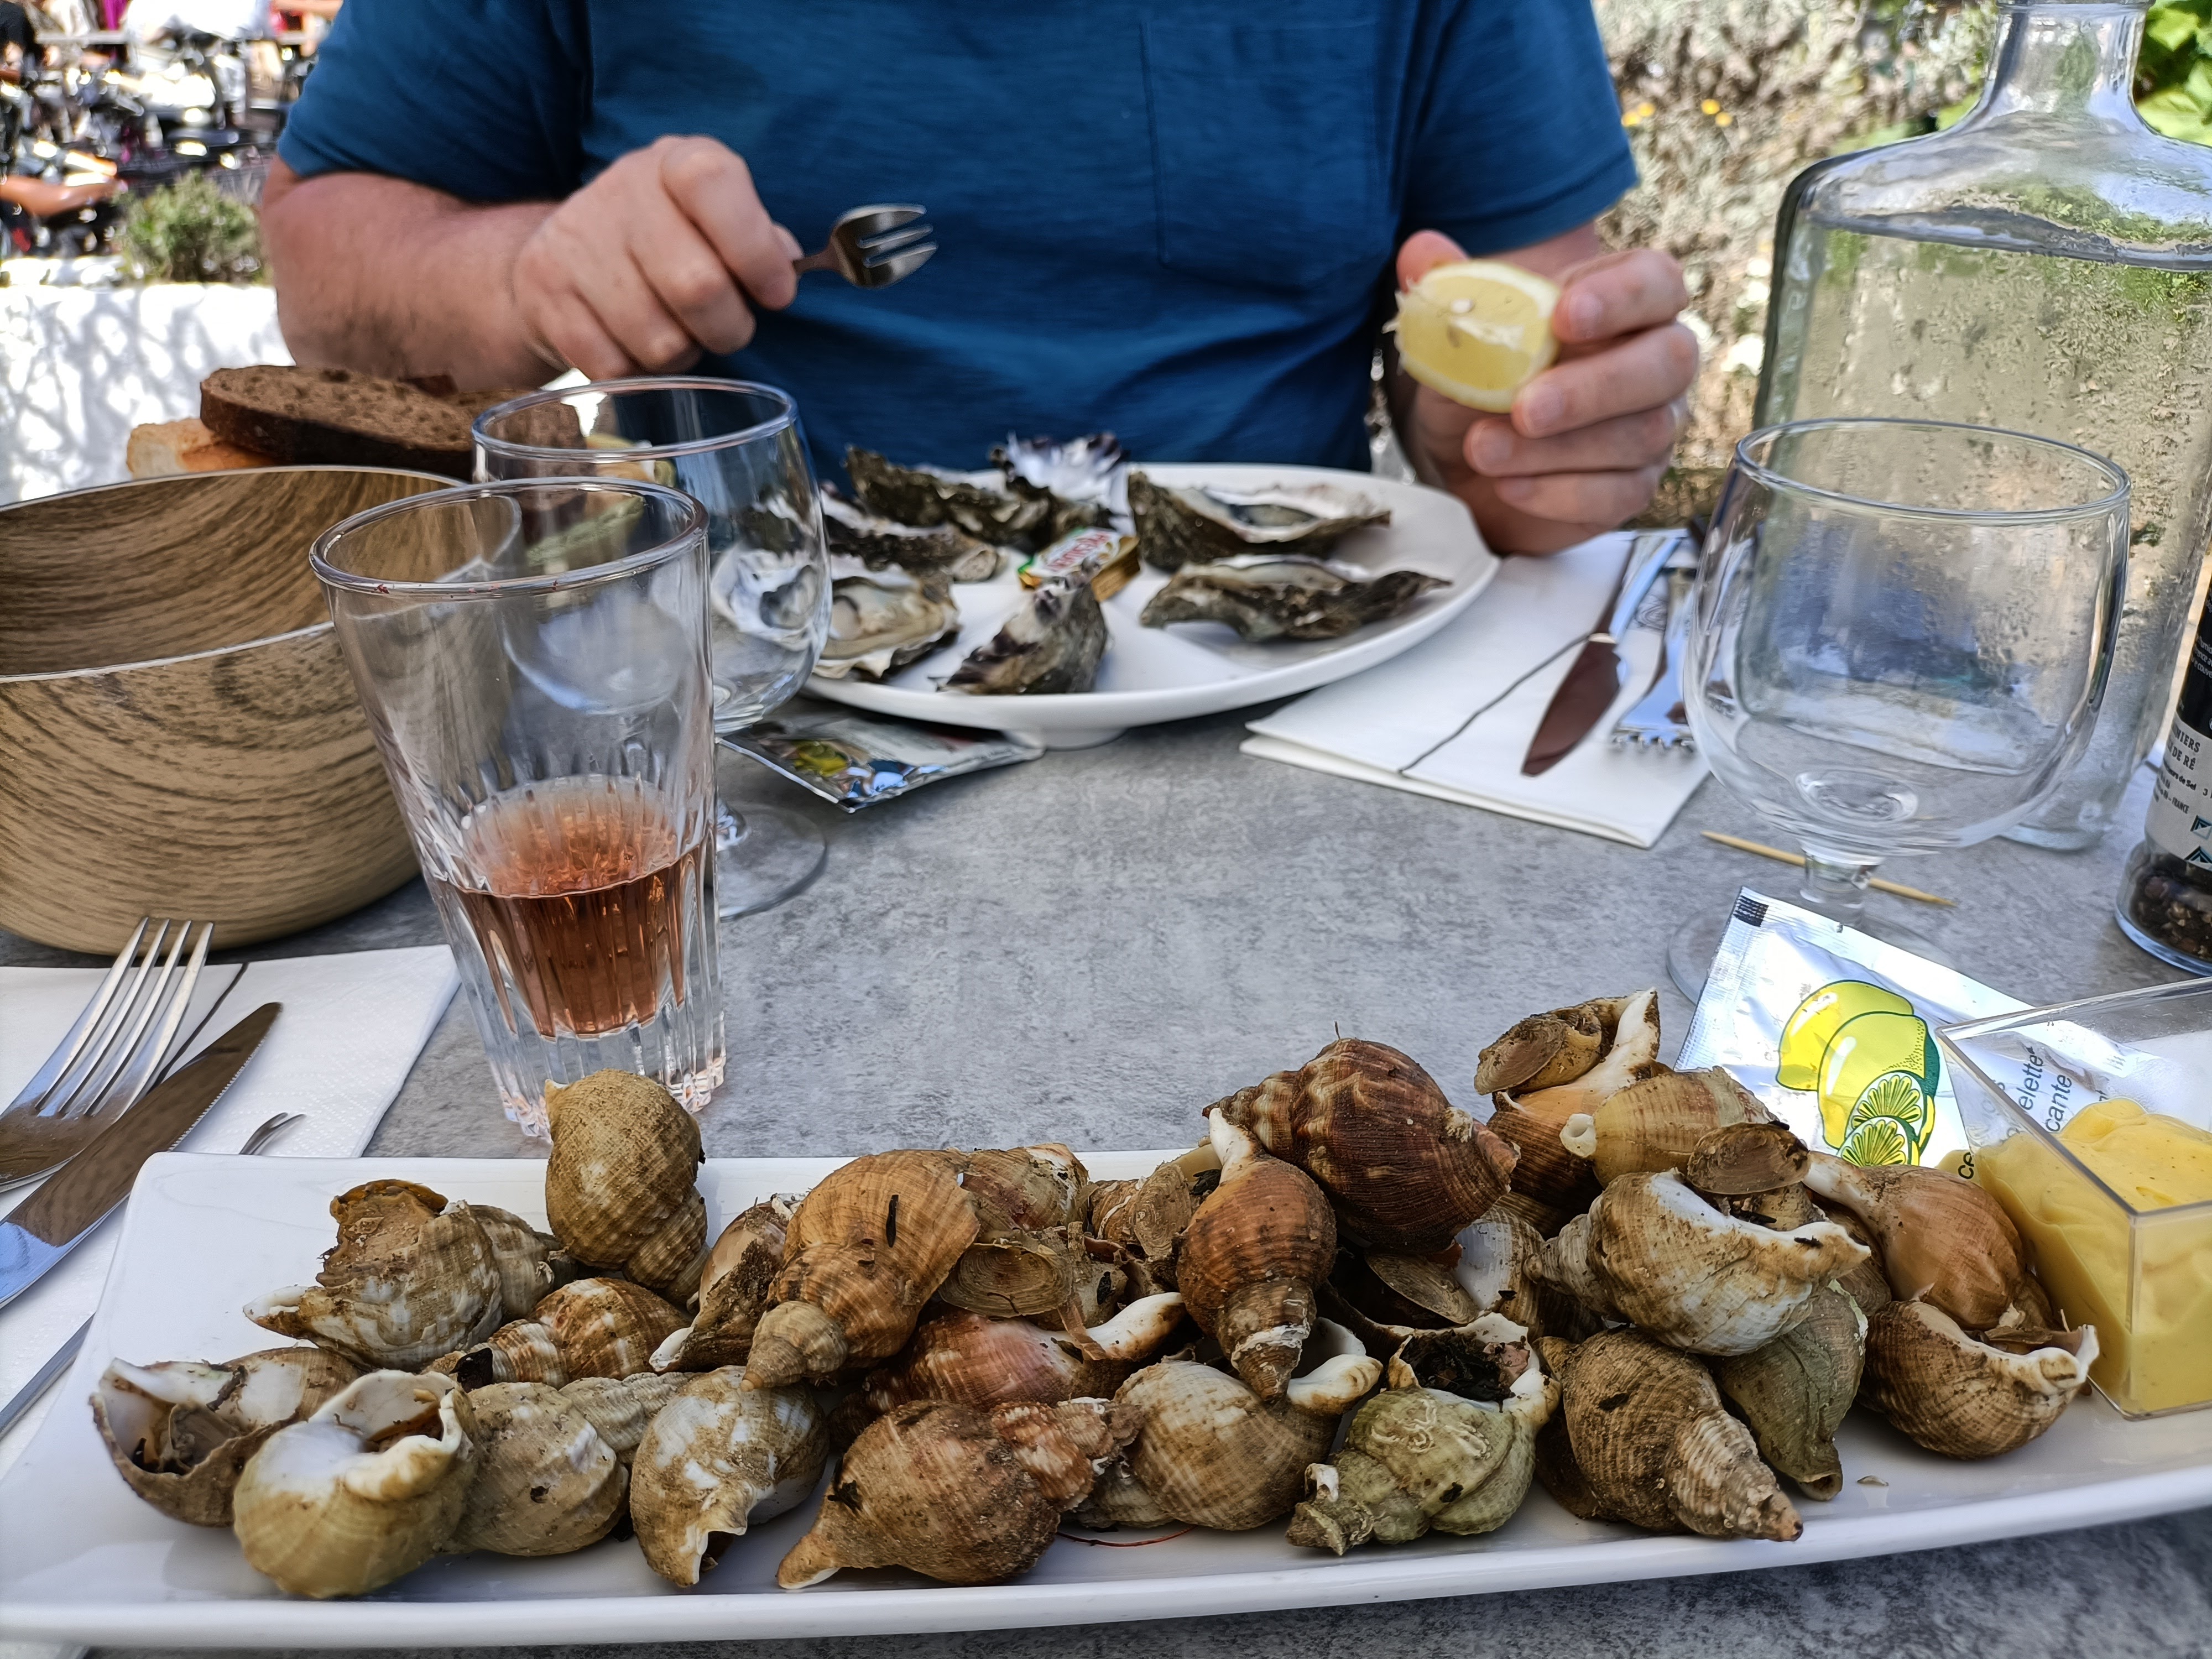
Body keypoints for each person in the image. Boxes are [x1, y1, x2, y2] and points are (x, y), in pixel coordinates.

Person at [261, 2, 1696, 555]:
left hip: (1297, 680)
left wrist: (1524, 445)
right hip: (731, 721)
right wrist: (527, 276)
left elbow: (1514, 371)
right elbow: (323, 272)